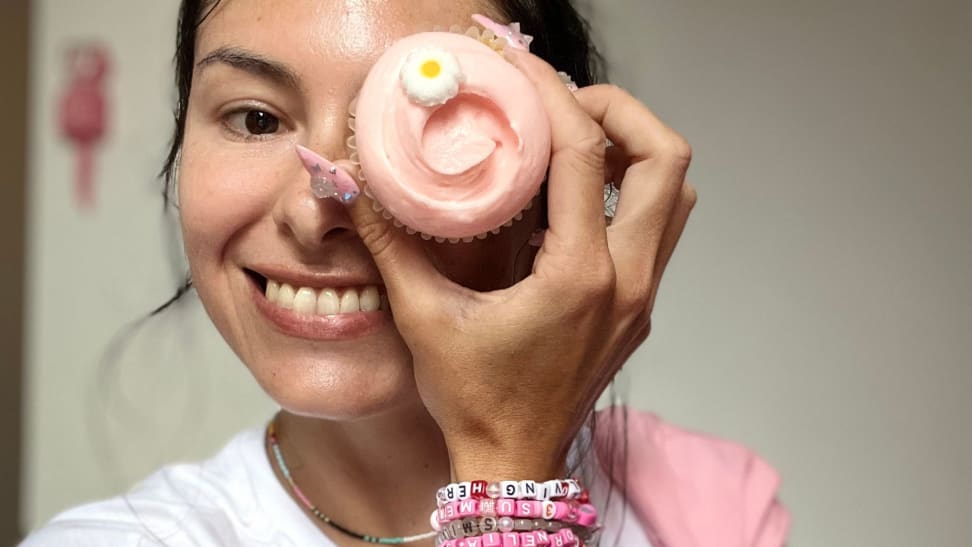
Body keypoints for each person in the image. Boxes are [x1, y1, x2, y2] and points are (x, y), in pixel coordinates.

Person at [21, 0, 789, 545]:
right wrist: (504, 485)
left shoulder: (712, 506)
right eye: (256, 118)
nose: (317, 201)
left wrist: (505, 466)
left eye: (419, 120)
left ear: (556, 174)